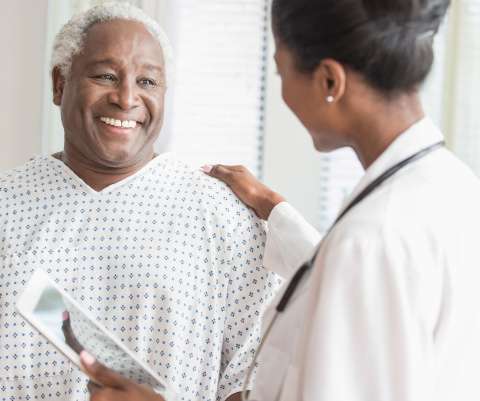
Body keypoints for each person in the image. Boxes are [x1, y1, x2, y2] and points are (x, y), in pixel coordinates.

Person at [76, 0, 480, 400]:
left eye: (280, 70)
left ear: (328, 82)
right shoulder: (454, 188)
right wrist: (274, 208)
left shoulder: (372, 239)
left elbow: (358, 266)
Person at [0, 3, 280, 401]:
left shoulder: (223, 215)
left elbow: (256, 377)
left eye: (148, 82)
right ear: (60, 84)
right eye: (106, 76)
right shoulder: (7, 207)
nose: (127, 97)